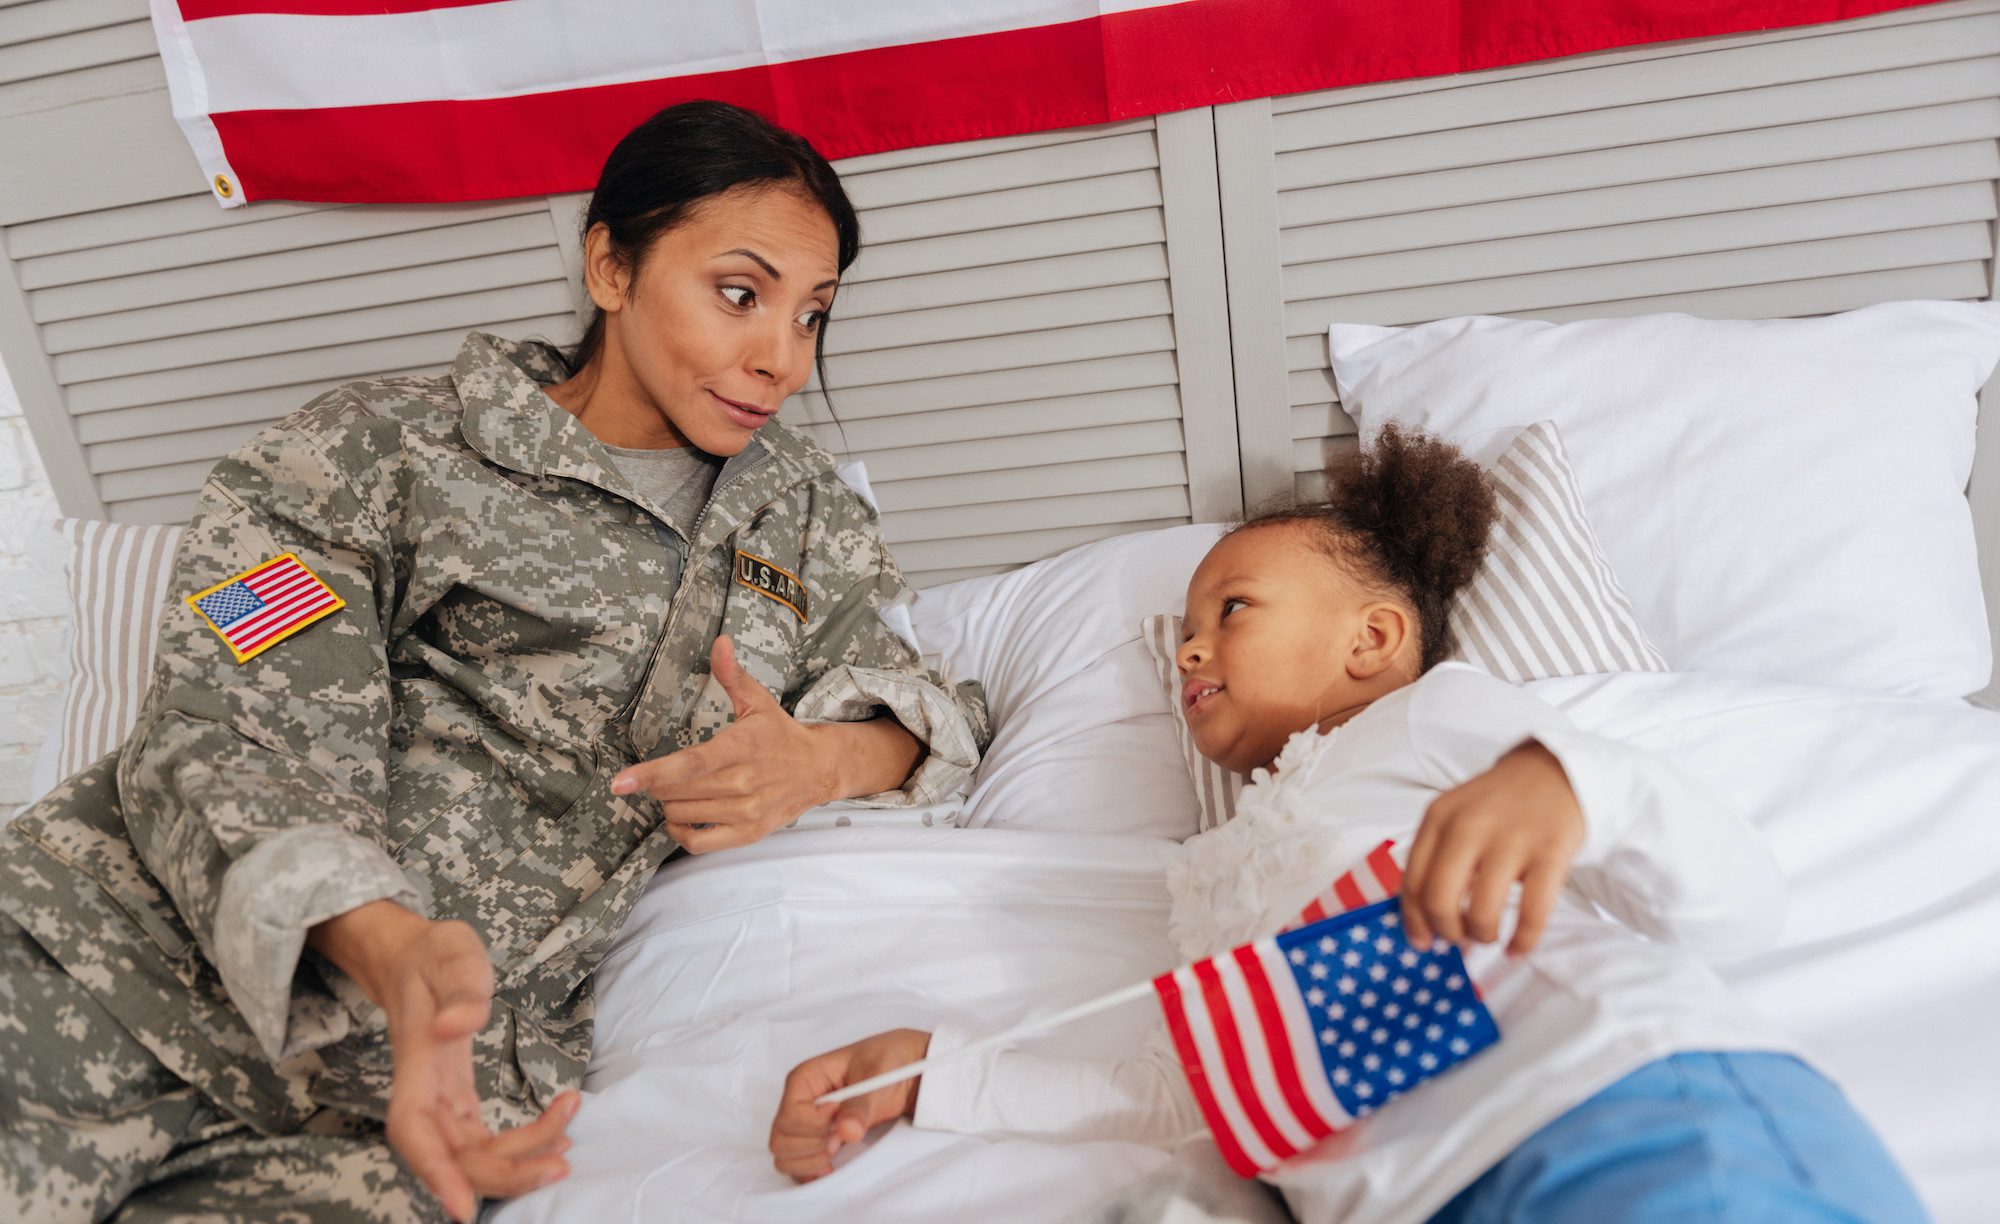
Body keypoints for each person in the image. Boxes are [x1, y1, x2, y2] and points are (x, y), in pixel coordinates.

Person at [0, 100, 991, 1224]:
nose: (780, 360)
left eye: (812, 315)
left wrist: (815, 763)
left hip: (405, 1107)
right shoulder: (373, 451)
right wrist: (387, 945)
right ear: (609, 266)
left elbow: (929, 702)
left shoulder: (805, 515)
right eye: (738, 293)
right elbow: (237, 721)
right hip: (101, 965)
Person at [770, 427, 1928, 1223]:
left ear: (1370, 641)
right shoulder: (1208, 882)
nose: (1186, 645)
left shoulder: (1439, 719)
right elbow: (1200, 1100)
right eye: (1182, 625)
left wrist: (1574, 786)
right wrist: (941, 1075)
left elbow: (1741, 902)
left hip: (1621, 1109)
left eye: (1229, 610)